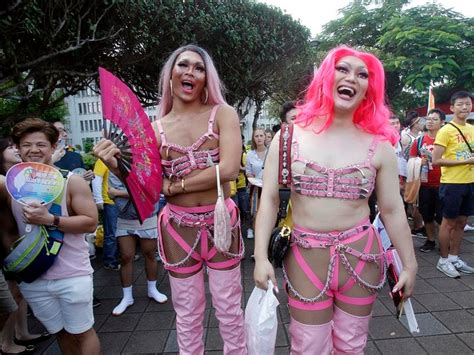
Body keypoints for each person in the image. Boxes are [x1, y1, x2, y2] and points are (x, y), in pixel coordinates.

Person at [253, 46, 417, 354]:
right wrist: (260, 257)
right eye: (343, 69)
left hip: (362, 257)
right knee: (308, 345)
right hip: (304, 256)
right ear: (326, 77)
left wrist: (410, 264)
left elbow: (393, 209)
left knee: (352, 344)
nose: (351, 78)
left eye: (362, 74)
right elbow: (270, 200)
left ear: (370, 87)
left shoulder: (380, 144)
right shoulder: (287, 137)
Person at [94, 44, 246, 354]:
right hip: (177, 226)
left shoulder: (223, 114)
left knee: (230, 311)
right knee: (187, 314)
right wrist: (115, 166)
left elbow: (229, 168)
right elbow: (147, 185)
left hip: (221, 221)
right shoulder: (153, 130)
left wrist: (173, 187)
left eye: (199, 67)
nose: (191, 72)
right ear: (171, 74)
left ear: (207, 78)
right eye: (183, 65)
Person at [4, 118, 100, 355]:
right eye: (26, 145)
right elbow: (8, 228)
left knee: (83, 332)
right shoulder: (11, 185)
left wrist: (51, 219)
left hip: (72, 274)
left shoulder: (72, 181)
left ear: (54, 145)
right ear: (17, 148)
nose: (33, 150)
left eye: (41, 144)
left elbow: (90, 222)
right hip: (34, 277)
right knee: (61, 332)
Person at [0, 138, 52, 354]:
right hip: (8, 247)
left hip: (16, 246)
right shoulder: (4, 182)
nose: (16, 149)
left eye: (15, 146)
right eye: (11, 147)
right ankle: (6, 342)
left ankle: (20, 333)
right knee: (10, 299)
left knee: (18, 295)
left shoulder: (16, 177)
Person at [107, 172, 168, 315]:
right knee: (126, 256)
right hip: (125, 218)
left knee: (150, 254)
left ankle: (152, 289)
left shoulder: (149, 166)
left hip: (147, 216)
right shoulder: (115, 167)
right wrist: (138, 191)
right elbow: (112, 192)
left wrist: (119, 192)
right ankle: (127, 297)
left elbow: (151, 190)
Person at [432, 91, 474, 278]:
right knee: (448, 223)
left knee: (462, 222)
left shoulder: (472, 129)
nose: (464, 107)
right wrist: (465, 162)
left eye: (467, 104)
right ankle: (443, 260)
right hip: (452, 183)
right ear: (452, 108)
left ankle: (454, 258)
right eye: (460, 104)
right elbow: (436, 160)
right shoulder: (446, 130)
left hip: (469, 182)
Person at [409, 109, 445, 252]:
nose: (430, 122)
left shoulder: (446, 139)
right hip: (424, 184)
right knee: (427, 214)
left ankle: (445, 242)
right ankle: (430, 240)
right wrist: (419, 162)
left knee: (443, 217)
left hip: (444, 183)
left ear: (442, 122)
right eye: (428, 119)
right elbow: (411, 159)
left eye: (434, 119)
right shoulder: (419, 141)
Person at [92, 159, 119, 270]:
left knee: (121, 232)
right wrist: (98, 200)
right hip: (110, 202)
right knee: (111, 233)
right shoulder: (103, 160)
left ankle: (120, 256)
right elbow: (96, 179)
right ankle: (110, 260)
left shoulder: (119, 159)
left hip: (122, 201)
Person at [246, 128, 268, 239]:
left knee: (267, 214)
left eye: (261, 135)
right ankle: (257, 240)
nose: (259, 138)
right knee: (255, 213)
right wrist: (252, 177)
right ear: (253, 139)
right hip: (255, 189)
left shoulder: (271, 152)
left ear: (265, 137)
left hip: (269, 188)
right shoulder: (250, 154)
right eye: (256, 136)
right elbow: (248, 172)